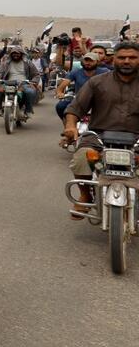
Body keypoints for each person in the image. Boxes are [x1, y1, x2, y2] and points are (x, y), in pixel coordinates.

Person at [63, 42, 139, 217]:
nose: (126, 61)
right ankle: (85, 194)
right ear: (113, 60)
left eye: (132, 57)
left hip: (136, 138)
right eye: (122, 57)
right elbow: (76, 108)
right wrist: (70, 126)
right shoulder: (96, 82)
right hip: (100, 136)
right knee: (82, 156)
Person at [54, 51, 108, 120]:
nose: (88, 63)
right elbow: (62, 86)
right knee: (60, 106)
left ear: (97, 62)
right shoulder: (76, 72)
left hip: (99, 100)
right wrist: (59, 93)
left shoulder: (105, 72)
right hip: (79, 99)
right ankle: (67, 124)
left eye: (91, 61)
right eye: (86, 60)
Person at [0, 45, 40, 117]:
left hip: (23, 83)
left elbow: (36, 74)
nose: (15, 55)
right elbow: (0, 71)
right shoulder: (6, 63)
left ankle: (28, 110)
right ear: (11, 54)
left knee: (30, 92)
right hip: (8, 83)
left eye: (17, 53)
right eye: (14, 53)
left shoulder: (27, 63)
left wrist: (33, 82)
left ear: (21, 54)